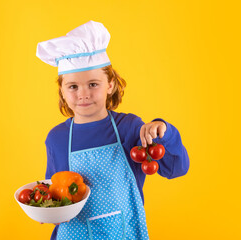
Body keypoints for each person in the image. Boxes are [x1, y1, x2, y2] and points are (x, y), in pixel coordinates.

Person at [36, 20, 189, 240]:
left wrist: (164, 130)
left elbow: (177, 168)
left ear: (110, 85)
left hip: (124, 233)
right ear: (62, 91)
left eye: (93, 84)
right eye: (73, 86)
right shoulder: (57, 139)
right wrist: (48, 209)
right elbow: (56, 194)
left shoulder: (130, 128)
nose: (83, 94)